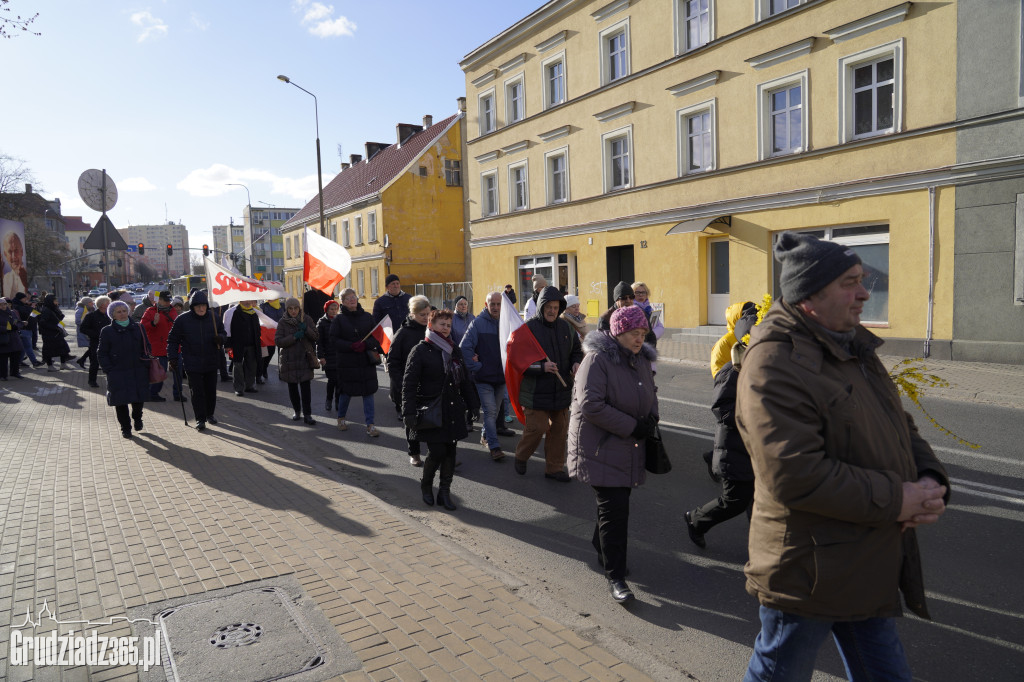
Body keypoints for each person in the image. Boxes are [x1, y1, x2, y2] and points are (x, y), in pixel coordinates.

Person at [736, 232, 950, 682]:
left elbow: (896, 422)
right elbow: (795, 473)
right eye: (850, 282)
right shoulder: (775, 361)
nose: (864, 293)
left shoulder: (848, 344)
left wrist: (929, 479)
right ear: (810, 295)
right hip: (808, 572)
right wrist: (898, 498)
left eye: (862, 280)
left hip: (862, 559)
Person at [568, 306, 658, 604]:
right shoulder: (597, 359)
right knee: (616, 510)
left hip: (628, 445)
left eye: (643, 333)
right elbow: (591, 405)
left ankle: (602, 545)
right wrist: (633, 426)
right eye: (634, 333)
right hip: (601, 446)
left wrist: (652, 418)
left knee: (616, 506)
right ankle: (616, 576)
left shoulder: (640, 358)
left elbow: (651, 391)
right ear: (618, 332)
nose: (639, 338)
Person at [684, 302, 758, 549]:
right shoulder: (733, 367)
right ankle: (696, 520)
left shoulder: (764, 366)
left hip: (754, 448)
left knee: (758, 498)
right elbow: (722, 407)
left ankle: (762, 543)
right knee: (734, 500)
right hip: (735, 446)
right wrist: (752, 420)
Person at [402, 308, 480, 511]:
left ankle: (445, 492)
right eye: (441, 324)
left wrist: (473, 404)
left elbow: (465, 380)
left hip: (453, 408)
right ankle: (426, 484)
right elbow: (409, 384)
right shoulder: (420, 350)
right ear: (431, 325)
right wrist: (408, 412)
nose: (446, 328)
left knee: (450, 451)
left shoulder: (454, 350)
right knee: (437, 451)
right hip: (432, 410)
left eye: (448, 325)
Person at [513, 286, 583, 481]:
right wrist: (541, 368)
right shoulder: (528, 329)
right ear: (541, 307)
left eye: (555, 307)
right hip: (536, 391)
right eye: (548, 307)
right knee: (537, 428)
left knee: (560, 430)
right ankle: (521, 455)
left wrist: (576, 362)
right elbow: (518, 361)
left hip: (561, 389)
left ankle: (554, 468)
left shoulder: (566, 327)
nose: (552, 311)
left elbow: (576, 351)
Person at [460, 291, 515, 462]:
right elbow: (464, 348)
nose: (496, 307)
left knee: (495, 411)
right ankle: (494, 446)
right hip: (483, 378)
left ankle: (485, 435)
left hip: (501, 378)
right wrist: (477, 367)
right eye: (493, 304)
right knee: (490, 411)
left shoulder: (508, 323)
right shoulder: (477, 323)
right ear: (486, 305)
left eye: (499, 304)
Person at [167, 290, 226, 432]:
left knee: (210, 390)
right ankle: (200, 418)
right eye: (198, 306)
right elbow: (173, 340)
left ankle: (210, 414)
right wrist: (172, 357)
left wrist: (220, 339)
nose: (201, 308)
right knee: (197, 391)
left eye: (203, 305)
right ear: (192, 306)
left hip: (211, 360)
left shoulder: (214, 318)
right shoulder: (182, 320)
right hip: (192, 361)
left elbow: (223, 333)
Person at [331, 287, 382, 437]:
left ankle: (370, 425)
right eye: (348, 298)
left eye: (353, 297)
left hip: (365, 361)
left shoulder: (367, 317)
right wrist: (350, 346)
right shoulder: (339, 320)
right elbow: (333, 340)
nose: (352, 300)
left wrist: (366, 344)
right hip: (347, 363)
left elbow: (376, 336)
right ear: (342, 302)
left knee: (368, 392)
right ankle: (341, 418)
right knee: (346, 392)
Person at [97, 301, 150, 439]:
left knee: (138, 399)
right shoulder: (107, 331)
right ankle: (125, 428)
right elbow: (102, 353)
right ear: (112, 315)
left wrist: (145, 363)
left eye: (124, 311)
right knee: (120, 401)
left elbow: (147, 346)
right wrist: (109, 369)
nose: (122, 314)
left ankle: (137, 418)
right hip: (117, 372)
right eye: (118, 312)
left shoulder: (138, 327)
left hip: (138, 370)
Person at [389, 295, 430, 465]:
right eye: (422, 315)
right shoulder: (403, 334)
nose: (426, 318)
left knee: (433, 419)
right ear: (413, 314)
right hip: (408, 385)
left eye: (428, 314)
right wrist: (401, 384)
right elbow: (393, 362)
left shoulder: (432, 331)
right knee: (412, 420)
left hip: (429, 384)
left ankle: (438, 453)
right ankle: (414, 453)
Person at [275, 297, 319, 425]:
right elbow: (278, 341)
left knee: (306, 389)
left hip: (305, 358)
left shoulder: (306, 319)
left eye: (296, 308)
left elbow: (316, 336)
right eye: (290, 308)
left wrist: (306, 329)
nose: (293, 311)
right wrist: (294, 337)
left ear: (299, 308)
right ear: (287, 309)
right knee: (293, 388)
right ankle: (297, 411)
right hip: (289, 360)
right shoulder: (282, 322)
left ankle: (308, 414)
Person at [141, 291, 184, 402]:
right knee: (160, 372)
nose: (168, 302)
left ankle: (178, 394)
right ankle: (153, 393)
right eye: (166, 300)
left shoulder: (173, 310)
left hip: (174, 346)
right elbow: (142, 327)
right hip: (158, 348)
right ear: (159, 300)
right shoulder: (150, 311)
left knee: (178, 371)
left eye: (169, 300)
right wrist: (153, 323)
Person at [226, 299, 261, 397]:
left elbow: (257, 328)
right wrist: (228, 344)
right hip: (238, 344)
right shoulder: (234, 312)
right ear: (240, 301)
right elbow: (228, 329)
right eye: (245, 300)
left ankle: (249, 386)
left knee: (251, 366)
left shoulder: (254, 313)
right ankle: (238, 388)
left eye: (249, 300)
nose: (248, 302)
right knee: (238, 366)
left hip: (252, 344)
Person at [79, 295, 111, 387]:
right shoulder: (91, 316)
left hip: (109, 342)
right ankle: (92, 381)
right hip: (96, 342)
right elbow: (83, 328)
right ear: (102, 305)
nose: (110, 304)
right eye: (108, 303)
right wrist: (96, 334)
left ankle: (111, 380)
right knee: (95, 362)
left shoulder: (110, 315)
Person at [37, 294, 75, 371]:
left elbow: (57, 318)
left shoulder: (52, 309)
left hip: (56, 333)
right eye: (55, 301)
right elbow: (42, 323)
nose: (56, 302)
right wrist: (54, 327)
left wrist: (58, 311)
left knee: (63, 349)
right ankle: (50, 366)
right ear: (50, 301)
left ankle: (63, 364)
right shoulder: (46, 310)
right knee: (49, 351)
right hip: (50, 334)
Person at [316, 300, 340, 412]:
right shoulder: (322, 322)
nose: (334, 311)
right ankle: (329, 399)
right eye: (332, 309)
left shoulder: (340, 320)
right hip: (328, 356)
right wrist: (321, 356)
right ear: (327, 310)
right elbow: (319, 342)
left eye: (336, 309)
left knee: (340, 381)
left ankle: (338, 401)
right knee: (332, 380)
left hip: (339, 355)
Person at [10, 292, 41, 368]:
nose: (26, 299)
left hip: (27, 328)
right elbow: (25, 314)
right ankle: (34, 362)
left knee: (24, 348)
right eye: (24, 298)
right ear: (20, 299)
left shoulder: (22, 305)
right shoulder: (17, 307)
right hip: (23, 329)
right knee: (28, 346)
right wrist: (31, 308)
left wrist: (32, 307)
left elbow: (35, 314)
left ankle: (19, 362)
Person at [260, 296, 286, 383]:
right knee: (270, 352)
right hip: (269, 333)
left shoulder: (282, 305)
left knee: (281, 353)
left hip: (281, 331)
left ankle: (281, 372)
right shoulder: (263, 306)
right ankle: (264, 367)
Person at [631, 282, 664, 346]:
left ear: (647, 294)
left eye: (643, 292)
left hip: (650, 343)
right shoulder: (631, 309)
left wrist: (651, 336)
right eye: (637, 292)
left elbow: (660, 327)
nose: (641, 295)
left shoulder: (649, 308)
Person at [0, 297, 24, 380]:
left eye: (4, 304)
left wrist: (17, 326)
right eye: (1, 305)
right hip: (3, 339)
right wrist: (6, 329)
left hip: (14, 338)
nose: (3, 306)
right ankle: (3, 375)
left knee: (16, 355)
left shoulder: (12, 312)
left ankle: (15, 372)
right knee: (3, 359)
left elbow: (18, 322)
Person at [1, 231, 28, 299]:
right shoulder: (5, 279)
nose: (14, 256)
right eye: (10, 252)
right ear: (5, 255)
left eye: (16, 250)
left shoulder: (27, 276)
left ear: (22, 251)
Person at [74, 296, 95, 368]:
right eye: (90, 302)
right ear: (86, 303)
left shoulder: (91, 309)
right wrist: (88, 323)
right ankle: (87, 362)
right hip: (84, 332)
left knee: (92, 347)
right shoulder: (81, 310)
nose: (92, 303)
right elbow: (78, 321)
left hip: (90, 331)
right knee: (92, 347)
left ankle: (86, 361)